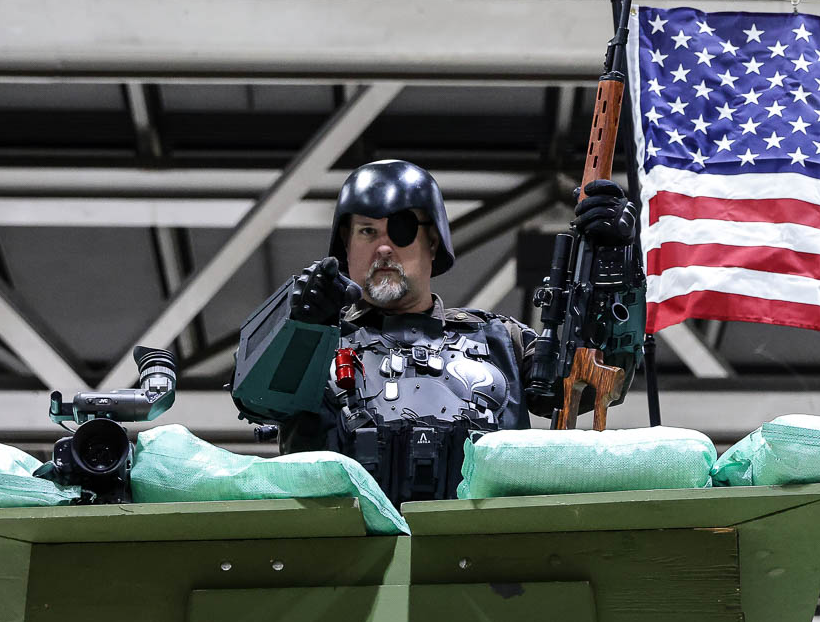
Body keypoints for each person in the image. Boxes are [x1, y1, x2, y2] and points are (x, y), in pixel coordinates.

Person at [235, 158, 634, 504]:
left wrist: (614, 271)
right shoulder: (315, 339)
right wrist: (304, 327)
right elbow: (258, 401)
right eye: (367, 231)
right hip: (341, 568)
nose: (385, 247)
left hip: (485, 570)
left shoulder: (501, 342)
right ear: (346, 245)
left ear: (432, 241)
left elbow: (598, 381)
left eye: (402, 229)